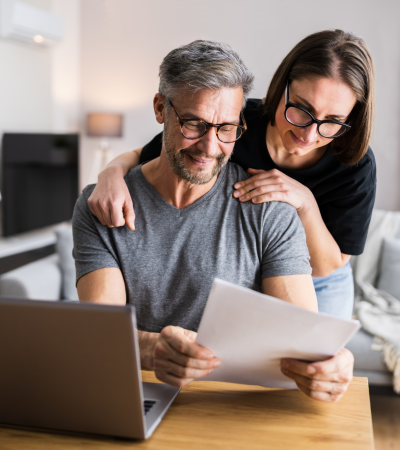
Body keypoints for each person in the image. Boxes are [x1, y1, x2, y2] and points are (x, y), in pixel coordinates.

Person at [73, 40, 354, 403]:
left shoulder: (270, 210)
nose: (209, 147)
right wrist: (151, 350)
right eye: (194, 124)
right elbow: (99, 332)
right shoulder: (104, 205)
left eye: (226, 129)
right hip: (134, 397)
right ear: (161, 109)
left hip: (232, 408)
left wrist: (335, 362)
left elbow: (303, 340)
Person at [88, 30, 376, 321]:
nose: (309, 133)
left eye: (333, 122)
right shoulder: (231, 120)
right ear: (282, 87)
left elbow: (328, 265)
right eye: (301, 109)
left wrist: (305, 202)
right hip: (258, 262)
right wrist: (110, 174)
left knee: (315, 357)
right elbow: (149, 154)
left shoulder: (354, 163)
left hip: (320, 278)